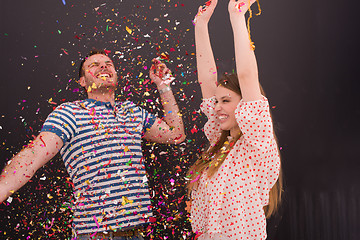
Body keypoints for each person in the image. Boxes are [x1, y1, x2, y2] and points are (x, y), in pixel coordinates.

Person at [0, 49, 186, 240]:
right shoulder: (69, 113)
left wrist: (163, 86)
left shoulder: (132, 112)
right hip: (95, 235)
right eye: (94, 65)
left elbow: (176, 134)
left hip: (138, 234)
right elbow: (33, 154)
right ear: (82, 81)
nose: (103, 67)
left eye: (108, 64)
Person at [187, 0, 282, 239]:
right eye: (216, 101)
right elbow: (206, 82)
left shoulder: (258, 144)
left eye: (226, 101)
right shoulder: (218, 143)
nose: (217, 107)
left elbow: (247, 74)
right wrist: (200, 25)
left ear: (245, 107)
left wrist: (237, 17)